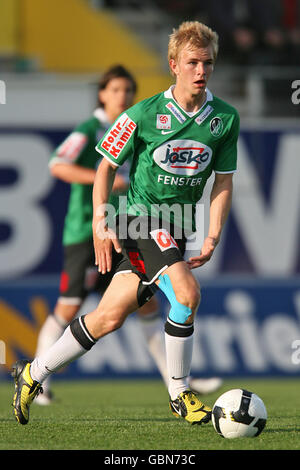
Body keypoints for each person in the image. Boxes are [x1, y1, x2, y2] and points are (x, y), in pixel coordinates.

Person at [12, 21, 238, 426]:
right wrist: (102, 219)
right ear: (174, 64)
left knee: (108, 317)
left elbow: (223, 180)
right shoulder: (143, 113)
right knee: (186, 294)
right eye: (192, 62)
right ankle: (180, 392)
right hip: (140, 219)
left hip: (179, 226)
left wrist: (214, 232)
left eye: (207, 63)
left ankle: (33, 373)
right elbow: (104, 168)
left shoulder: (224, 118)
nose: (200, 71)